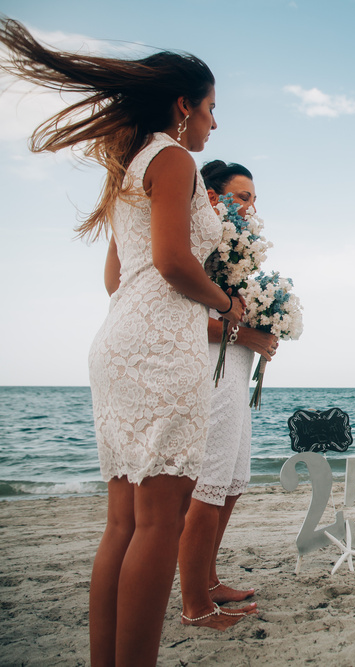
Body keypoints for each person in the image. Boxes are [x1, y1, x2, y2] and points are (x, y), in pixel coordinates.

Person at [0, 18, 248, 666]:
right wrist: (225, 303)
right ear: (182, 105)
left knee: (123, 523)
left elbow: (116, 275)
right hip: (161, 345)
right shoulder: (172, 158)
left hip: (117, 339)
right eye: (211, 109)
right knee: (159, 523)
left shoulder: (127, 168)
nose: (214, 125)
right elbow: (170, 260)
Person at [177, 161, 278, 629]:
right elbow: (184, 319)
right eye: (241, 196)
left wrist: (266, 325)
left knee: (233, 483)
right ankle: (195, 603)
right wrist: (248, 336)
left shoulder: (238, 251)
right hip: (210, 372)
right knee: (209, 485)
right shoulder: (201, 244)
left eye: (253, 197)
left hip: (234, 371)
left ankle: (210, 578)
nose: (250, 205)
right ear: (212, 197)